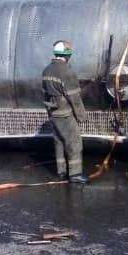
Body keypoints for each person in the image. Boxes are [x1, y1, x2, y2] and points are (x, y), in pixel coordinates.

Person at [42, 40, 88, 184]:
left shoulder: (46, 70)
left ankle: (61, 171)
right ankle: (75, 174)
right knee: (74, 142)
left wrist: (49, 111)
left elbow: (44, 93)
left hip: (53, 112)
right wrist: (81, 116)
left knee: (59, 142)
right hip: (65, 113)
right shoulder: (66, 72)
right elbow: (74, 98)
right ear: (67, 55)